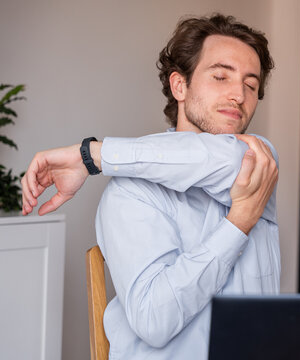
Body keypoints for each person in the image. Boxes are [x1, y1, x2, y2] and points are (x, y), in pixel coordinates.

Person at [21, 14, 279, 359]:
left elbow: (213, 159)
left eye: (251, 85)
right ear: (180, 86)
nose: (238, 94)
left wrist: (93, 155)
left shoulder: (259, 159)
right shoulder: (131, 192)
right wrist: (237, 226)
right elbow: (155, 321)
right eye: (220, 76)